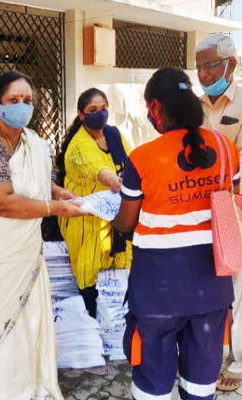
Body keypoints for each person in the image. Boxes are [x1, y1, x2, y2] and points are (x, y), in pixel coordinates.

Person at [0, 71, 86, 400]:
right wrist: (54, 208)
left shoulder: (31, 140)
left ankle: (27, 387)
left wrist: (58, 192)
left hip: (22, 256)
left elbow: (33, 178)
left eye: (27, 100)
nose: (22, 106)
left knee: (27, 325)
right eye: (13, 100)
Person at [112, 67, 240, 400]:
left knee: (153, 379)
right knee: (201, 380)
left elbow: (126, 222)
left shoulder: (142, 158)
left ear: (155, 108)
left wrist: (115, 222)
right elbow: (234, 201)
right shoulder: (227, 148)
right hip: (212, 287)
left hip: (158, 290)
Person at [56, 88, 132, 318]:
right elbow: (95, 167)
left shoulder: (114, 135)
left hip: (116, 220)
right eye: (93, 110)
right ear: (81, 114)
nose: (100, 113)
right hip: (87, 224)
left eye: (103, 108)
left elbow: (131, 162)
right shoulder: (79, 144)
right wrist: (111, 179)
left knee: (119, 285)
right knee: (90, 278)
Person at [195, 33, 242, 391]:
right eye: (199, 67)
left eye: (211, 65)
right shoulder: (193, 106)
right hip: (198, 205)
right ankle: (209, 355)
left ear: (231, 64)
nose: (204, 74)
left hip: (235, 204)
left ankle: (239, 361)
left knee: (238, 286)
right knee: (206, 283)